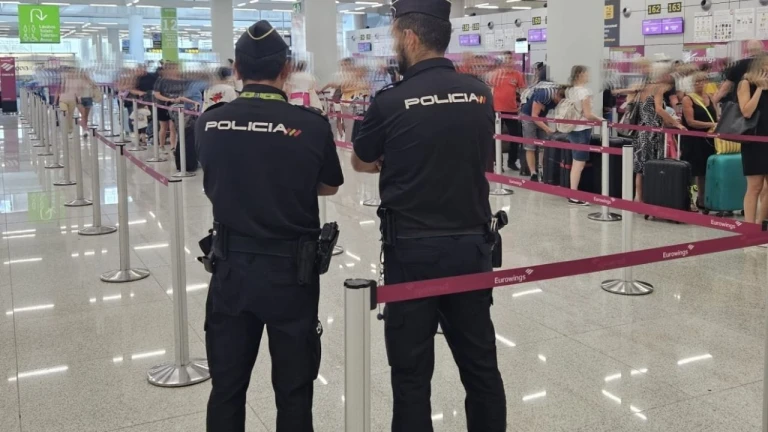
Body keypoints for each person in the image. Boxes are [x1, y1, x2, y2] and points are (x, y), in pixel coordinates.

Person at [351, 0, 507, 430]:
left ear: (410, 37)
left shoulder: (390, 101)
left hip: (411, 251)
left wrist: (394, 158)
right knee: (480, 366)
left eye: (394, 36)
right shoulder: (479, 93)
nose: (393, 45)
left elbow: (361, 161)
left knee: (411, 374)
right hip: (471, 246)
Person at [197, 20, 344, 432]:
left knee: (227, 388)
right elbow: (329, 186)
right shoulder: (310, 125)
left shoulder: (209, 122)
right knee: (294, 391)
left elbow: (212, 177)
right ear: (286, 70)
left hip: (231, 270)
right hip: (292, 274)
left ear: (237, 69)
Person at [634, 62, 685, 202]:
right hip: (653, 132)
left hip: (641, 131)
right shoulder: (657, 89)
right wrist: (675, 123)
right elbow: (659, 109)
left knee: (640, 168)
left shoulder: (644, 87)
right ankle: (651, 197)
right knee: (654, 165)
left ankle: (639, 199)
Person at [565, 65, 604, 206]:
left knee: (576, 162)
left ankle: (573, 192)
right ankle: (574, 195)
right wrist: (601, 120)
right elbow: (588, 114)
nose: (589, 76)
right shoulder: (584, 92)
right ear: (581, 74)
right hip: (582, 130)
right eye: (587, 73)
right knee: (579, 163)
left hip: (572, 128)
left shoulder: (570, 90)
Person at [737, 54, 768, 225]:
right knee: (755, 186)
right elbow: (747, 112)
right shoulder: (746, 83)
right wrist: (760, 89)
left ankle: (761, 222)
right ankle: (749, 226)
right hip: (754, 141)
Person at [681, 72, 717, 210]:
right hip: (693, 139)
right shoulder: (688, 99)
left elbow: (716, 117)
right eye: (697, 81)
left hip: (709, 140)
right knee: (691, 170)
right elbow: (691, 122)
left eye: (702, 81)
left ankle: (702, 199)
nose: (700, 84)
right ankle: (687, 199)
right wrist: (712, 124)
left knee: (704, 170)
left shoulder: (710, 97)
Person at [489, 51, 526, 171]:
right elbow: (490, 89)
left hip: (512, 111)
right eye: (506, 59)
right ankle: (498, 163)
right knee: (495, 138)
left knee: (515, 137)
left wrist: (522, 105)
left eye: (510, 59)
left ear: (513, 60)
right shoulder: (496, 74)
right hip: (497, 111)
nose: (508, 61)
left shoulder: (517, 75)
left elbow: (523, 91)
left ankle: (512, 161)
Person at [520, 83, 565, 182]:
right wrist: (547, 129)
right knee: (530, 146)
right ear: (556, 95)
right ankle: (533, 173)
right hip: (528, 115)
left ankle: (543, 170)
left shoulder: (560, 97)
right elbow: (534, 116)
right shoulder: (544, 94)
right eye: (558, 100)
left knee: (544, 144)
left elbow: (545, 114)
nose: (558, 103)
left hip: (541, 116)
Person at [714, 39, 764, 104]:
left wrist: (714, 102)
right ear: (761, 48)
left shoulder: (737, 64)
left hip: (742, 103)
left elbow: (725, 88)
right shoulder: (765, 64)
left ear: (747, 49)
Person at [153, 62, 186, 152]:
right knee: (163, 127)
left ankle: (172, 146)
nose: (175, 70)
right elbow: (157, 94)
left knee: (173, 127)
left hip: (175, 106)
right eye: (173, 69)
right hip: (162, 105)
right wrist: (169, 99)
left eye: (176, 68)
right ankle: (161, 145)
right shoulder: (160, 81)